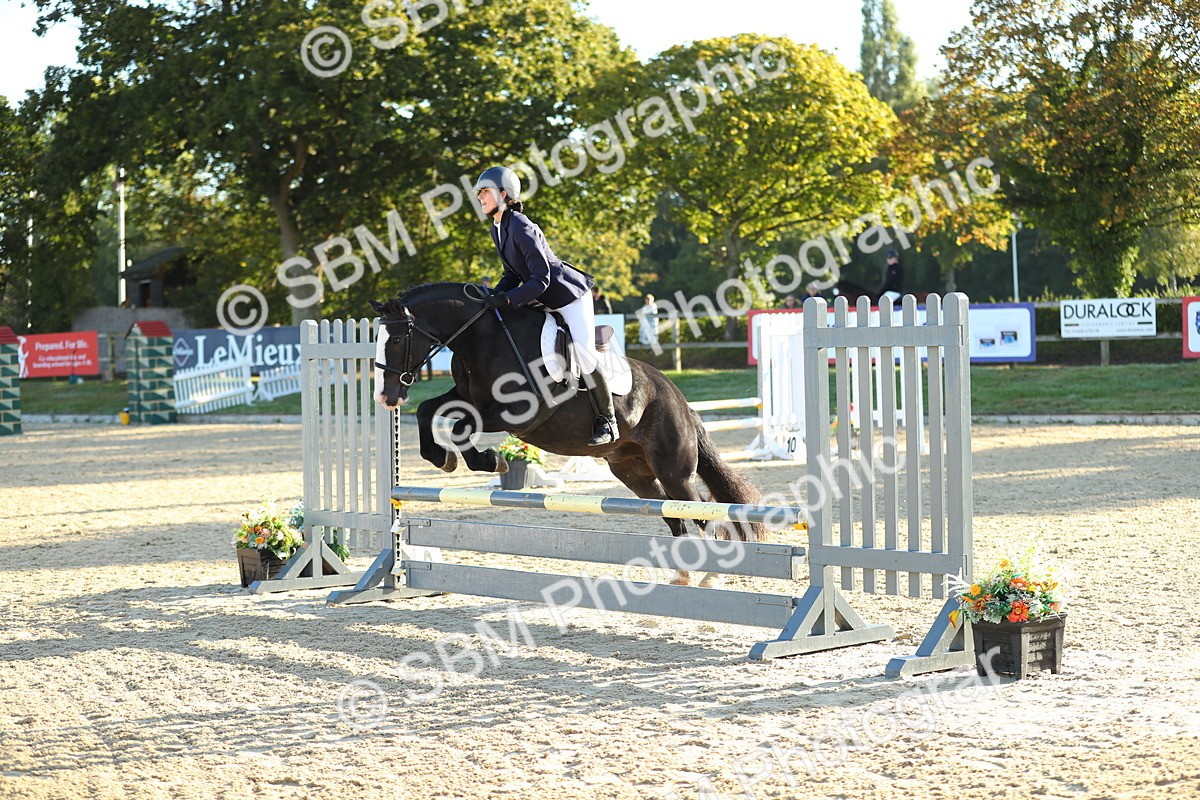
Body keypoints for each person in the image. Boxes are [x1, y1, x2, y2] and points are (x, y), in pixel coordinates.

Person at [474, 165, 618, 446]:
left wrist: (508, 299)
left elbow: (541, 278)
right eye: (479, 193)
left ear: (504, 195)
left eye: (485, 192)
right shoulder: (498, 227)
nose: (480, 198)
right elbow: (512, 274)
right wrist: (492, 297)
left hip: (568, 297)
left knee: (586, 355)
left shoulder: (522, 226)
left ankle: (608, 420)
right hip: (541, 298)